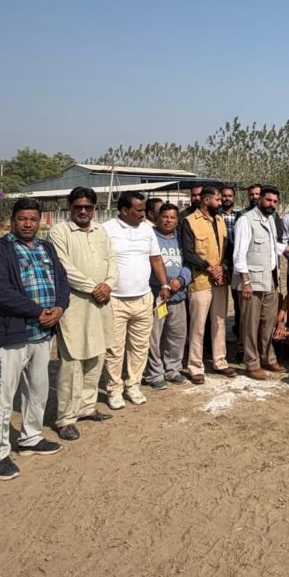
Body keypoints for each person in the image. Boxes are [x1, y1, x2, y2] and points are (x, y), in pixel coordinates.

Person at [0, 198, 69, 480]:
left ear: (40, 221)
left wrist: (60, 307)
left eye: (33, 219)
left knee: (37, 391)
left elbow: (62, 280)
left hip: (42, 333)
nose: (28, 224)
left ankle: (31, 438)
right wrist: (37, 311)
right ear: (13, 220)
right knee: (3, 398)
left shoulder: (46, 248)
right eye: (22, 218)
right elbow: (0, 292)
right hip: (13, 334)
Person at [49, 187, 118, 441]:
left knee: (96, 355)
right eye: (78, 206)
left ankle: (87, 407)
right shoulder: (59, 232)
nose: (83, 211)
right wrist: (94, 288)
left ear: (94, 208)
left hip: (101, 303)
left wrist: (108, 285)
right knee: (72, 361)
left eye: (88, 207)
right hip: (75, 304)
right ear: (70, 207)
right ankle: (66, 418)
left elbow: (112, 261)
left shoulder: (101, 230)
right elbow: (63, 267)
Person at [103, 192, 171, 409]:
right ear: (124, 210)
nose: (144, 214)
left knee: (140, 346)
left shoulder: (147, 230)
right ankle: (114, 389)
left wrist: (164, 284)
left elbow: (156, 259)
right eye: (139, 210)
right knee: (114, 349)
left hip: (143, 298)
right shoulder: (106, 229)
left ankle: (133, 385)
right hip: (115, 300)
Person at [233, 185, 289, 379]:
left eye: (275, 201)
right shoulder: (246, 220)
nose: (271, 204)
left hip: (270, 279)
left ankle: (267, 357)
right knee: (250, 324)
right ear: (259, 200)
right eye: (268, 200)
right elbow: (239, 254)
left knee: (268, 322)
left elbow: (273, 246)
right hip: (252, 281)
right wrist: (245, 282)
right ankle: (251, 363)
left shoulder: (271, 219)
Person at [180, 185, 236, 383]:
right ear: (206, 200)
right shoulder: (189, 222)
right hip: (200, 281)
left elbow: (227, 249)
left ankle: (220, 361)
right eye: (217, 199)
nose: (220, 203)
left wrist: (222, 268)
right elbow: (188, 253)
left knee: (219, 323)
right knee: (198, 325)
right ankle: (195, 366)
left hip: (220, 281)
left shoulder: (220, 220)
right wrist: (209, 268)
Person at [144, 203, 191, 389]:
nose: (168, 220)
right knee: (154, 337)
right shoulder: (150, 237)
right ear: (157, 218)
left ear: (177, 220)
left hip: (178, 295)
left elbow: (188, 263)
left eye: (172, 217)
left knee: (177, 335)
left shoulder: (181, 239)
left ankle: (173, 370)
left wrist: (180, 280)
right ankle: (154, 373)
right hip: (157, 296)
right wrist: (163, 282)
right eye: (165, 217)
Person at [219, 185, 242, 347]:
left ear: (233, 198)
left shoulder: (240, 215)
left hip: (235, 262)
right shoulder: (215, 214)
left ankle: (239, 334)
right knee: (219, 302)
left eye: (230, 196)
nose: (227, 199)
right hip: (220, 261)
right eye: (224, 196)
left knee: (238, 301)